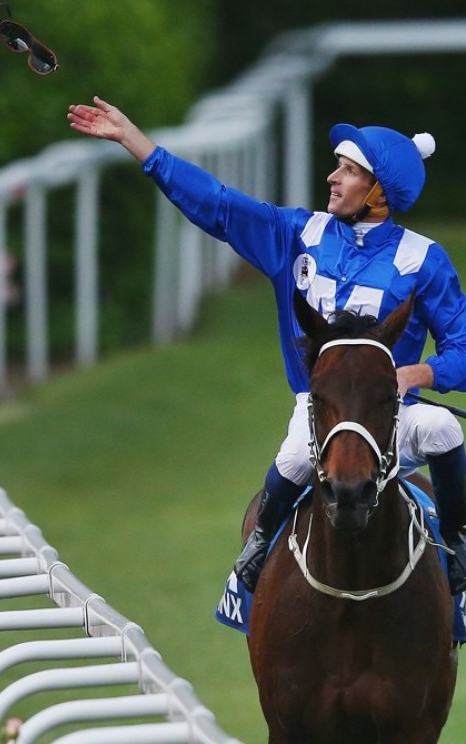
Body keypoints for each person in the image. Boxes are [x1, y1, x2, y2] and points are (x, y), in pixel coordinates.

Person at [68, 96, 466, 593]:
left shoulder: (423, 259)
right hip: (319, 410)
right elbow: (217, 203)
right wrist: (137, 142)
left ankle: (455, 543)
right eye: (336, 168)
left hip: (391, 415)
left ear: (378, 190)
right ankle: (258, 544)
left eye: (347, 170)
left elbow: (462, 348)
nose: (332, 178)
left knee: (446, 428)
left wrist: (419, 374)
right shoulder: (296, 233)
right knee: (296, 459)